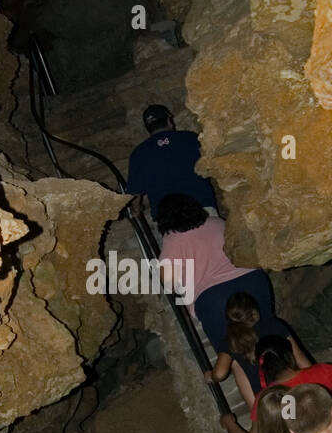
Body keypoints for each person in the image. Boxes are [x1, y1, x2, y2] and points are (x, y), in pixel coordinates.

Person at [157, 196, 275, 367]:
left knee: (233, 359)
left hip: (215, 299)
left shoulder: (172, 239)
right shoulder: (217, 222)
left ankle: (258, 390)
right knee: (272, 340)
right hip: (252, 281)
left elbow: (166, 279)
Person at [126, 105, 218, 223]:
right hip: (202, 208)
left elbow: (134, 197)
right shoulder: (191, 139)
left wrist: (136, 209)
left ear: (147, 128)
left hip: (168, 219)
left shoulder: (138, 154)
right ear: (169, 120)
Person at [203, 292, 301, 400]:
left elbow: (219, 374)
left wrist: (210, 376)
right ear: (255, 313)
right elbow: (301, 360)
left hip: (268, 401)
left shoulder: (229, 342)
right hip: (293, 388)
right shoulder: (274, 325)